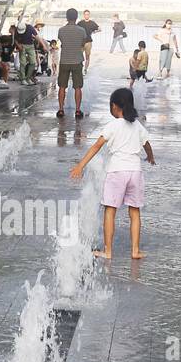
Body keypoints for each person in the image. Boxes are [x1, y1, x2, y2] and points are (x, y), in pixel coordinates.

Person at [70, 87, 155, 261]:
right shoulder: (137, 124)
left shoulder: (113, 125)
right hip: (135, 172)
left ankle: (108, 251)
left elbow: (96, 146)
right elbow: (147, 144)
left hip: (117, 172)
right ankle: (135, 251)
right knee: (135, 211)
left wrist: (80, 165)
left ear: (115, 107)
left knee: (110, 210)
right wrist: (150, 157)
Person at [56, 7, 92, 119]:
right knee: (78, 87)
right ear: (76, 17)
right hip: (77, 61)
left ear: (67, 17)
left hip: (64, 61)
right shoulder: (81, 31)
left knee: (62, 86)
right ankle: (77, 110)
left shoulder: (61, 30)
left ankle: (61, 110)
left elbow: (62, 41)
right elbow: (82, 42)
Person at [14, 19, 47, 85]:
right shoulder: (17, 30)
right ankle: (23, 79)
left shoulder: (30, 28)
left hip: (31, 46)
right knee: (22, 63)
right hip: (22, 46)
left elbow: (37, 37)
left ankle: (28, 78)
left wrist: (43, 45)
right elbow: (15, 39)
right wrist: (18, 45)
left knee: (33, 62)